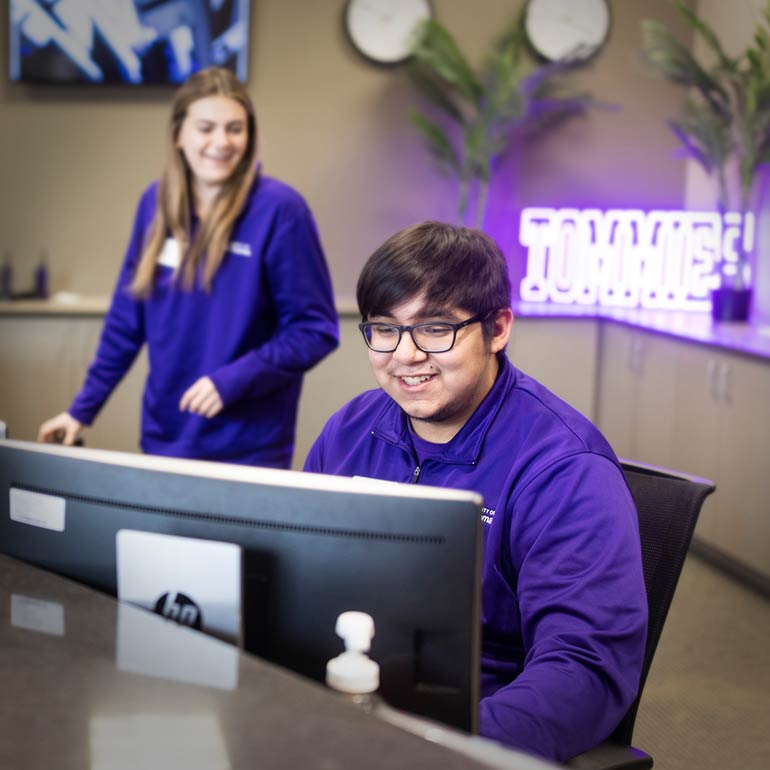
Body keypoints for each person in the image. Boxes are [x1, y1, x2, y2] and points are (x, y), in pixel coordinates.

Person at [303, 221, 647, 762]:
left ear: (498, 328)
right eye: (385, 330)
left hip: (471, 734)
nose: (406, 355)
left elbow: (584, 670)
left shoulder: (564, 468)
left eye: (436, 329)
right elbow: (299, 588)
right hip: (342, 705)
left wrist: (431, 744)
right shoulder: (348, 432)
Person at [39, 66, 338, 468]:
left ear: (249, 137)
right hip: (165, 438)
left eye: (235, 128)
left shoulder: (280, 210)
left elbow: (314, 329)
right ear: (179, 134)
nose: (221, 142)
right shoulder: (155, 204)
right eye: (206, 127)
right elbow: (126, 323)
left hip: (248, 447)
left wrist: (232, 380)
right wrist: (81, 411)